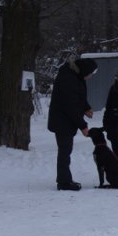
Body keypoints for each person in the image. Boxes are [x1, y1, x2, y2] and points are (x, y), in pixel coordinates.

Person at [47, 56, 97, 191]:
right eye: (91, 73)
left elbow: (79, 96)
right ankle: (64, 182)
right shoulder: (68, 79)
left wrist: (86, 107)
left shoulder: (76, 76)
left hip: (66, 120)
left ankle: (64, 179)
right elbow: (71, 106)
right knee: (64, 151)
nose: (91, 76)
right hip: (62, 121)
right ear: (85, 71)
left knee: (65, 150)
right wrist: (83, 126)